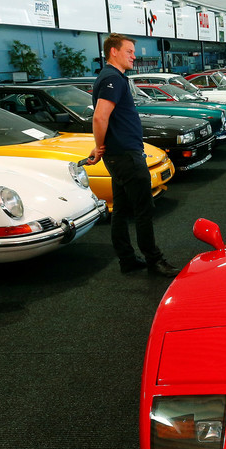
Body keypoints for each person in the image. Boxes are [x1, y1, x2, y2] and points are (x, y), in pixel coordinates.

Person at [88, 33, 180, 277]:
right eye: (129, 51)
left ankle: (127, 260)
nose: (134, 56)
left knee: (121, 208)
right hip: (126, 156)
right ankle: (154, 260)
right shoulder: (112, 78)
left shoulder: (110, 77)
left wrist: (100, 145)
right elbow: (99, 117)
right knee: (143, 209)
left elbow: (107, 118)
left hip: (121, 154)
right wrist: (98, 147)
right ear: (113, 52)